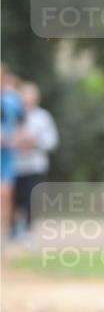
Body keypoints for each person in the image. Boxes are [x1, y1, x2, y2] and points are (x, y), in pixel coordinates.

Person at [12, 82, 59, 239]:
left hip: (36, 166)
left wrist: (35, 142)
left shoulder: (43, 117)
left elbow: (52, 141)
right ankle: (15, 228)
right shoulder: (13, 116)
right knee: (17, 198)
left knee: (32, 198)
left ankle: (28, 230)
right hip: (16, 165)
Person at [1, 65, 25, 241]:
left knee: (6, 194)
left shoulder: (12, 101)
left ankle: (4, 232)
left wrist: (14, 138)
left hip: (6, 155)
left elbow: (20, 124)